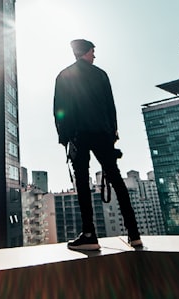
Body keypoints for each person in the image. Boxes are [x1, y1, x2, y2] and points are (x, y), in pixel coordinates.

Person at [53, 38, 142, 250]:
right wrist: (113, 135)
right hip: (103, 134)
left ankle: (89, 234)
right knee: (116, 180)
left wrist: (64, 137)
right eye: (93, 51)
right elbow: (111, 108)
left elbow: (59, 110)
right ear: (85, 51)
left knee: (82, 183)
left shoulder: (64, 75)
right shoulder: (101, 75)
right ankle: (134, 233)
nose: (94, 55)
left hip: (78, 135)